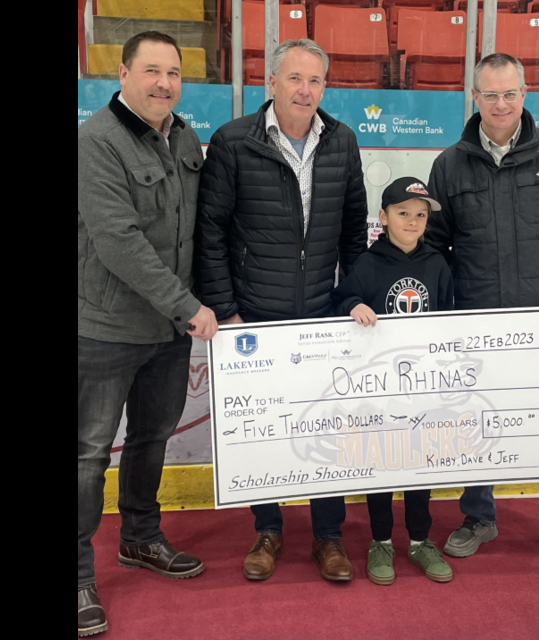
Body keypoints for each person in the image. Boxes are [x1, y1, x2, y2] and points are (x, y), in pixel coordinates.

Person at [426, 53, 539, 572]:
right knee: (477, 419)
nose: (500, 104)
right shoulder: (449, 164)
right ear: (474, 97)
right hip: (476, 322)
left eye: (510, 93)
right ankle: (479, 517)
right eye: (490, 94)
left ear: (524, 95)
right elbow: (435, 245)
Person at [198, 39, 368, 582]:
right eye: (294, 78)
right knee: (264, 430)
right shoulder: (232, 142)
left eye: (315, 80)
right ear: (270, 84)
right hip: (255, 317)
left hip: (322, 315)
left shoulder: (342, 141)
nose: (305, 90)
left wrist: (352, 300)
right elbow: (212, 235)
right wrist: (227, 310)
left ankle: (329, 537)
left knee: (326, 429)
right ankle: (268, 531)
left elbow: (353, 234)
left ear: (325, 86)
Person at [77, 31, 218, 637]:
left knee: (153, 438)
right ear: (123, 73)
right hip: (106, 329)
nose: (164, 82)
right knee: (87, 454)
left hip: (168, 329)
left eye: (173, 72)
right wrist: (188, 306)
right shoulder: (93, 142)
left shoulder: (184, 135)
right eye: (152, 70)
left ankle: (139, 536)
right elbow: (120, 244)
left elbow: (196, 229)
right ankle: (80, 572)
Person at [331, 177, 454, 585]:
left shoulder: (437, 264)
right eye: (403, 214)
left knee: (420, 467)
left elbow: (450, 317)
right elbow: (341, 301)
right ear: (383, 218)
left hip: (422, 389)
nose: (413, 221)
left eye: (420, 215)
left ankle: (419, 540)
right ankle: (380, 540)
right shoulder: (367, 264)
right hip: (378, 391)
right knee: (382, 466)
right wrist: (354, 306)